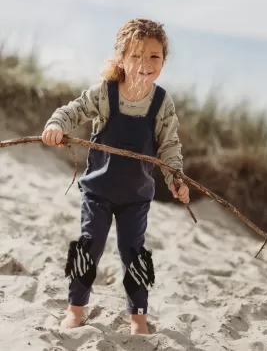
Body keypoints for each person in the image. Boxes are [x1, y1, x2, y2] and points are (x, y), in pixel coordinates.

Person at [42, 18, 189, 335]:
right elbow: (72, 111)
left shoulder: (162, 103)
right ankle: (75, 309)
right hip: (98, 191)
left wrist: (175, 179)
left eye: (154, 56)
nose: (145, 64)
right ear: (122, 59)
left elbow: (170, 147)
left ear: (163, 60)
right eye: (136, 55)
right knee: (88, 246)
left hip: (137, 197)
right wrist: (56, 126)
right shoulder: (105, 94)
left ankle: (138, 318)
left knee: (134, 254)